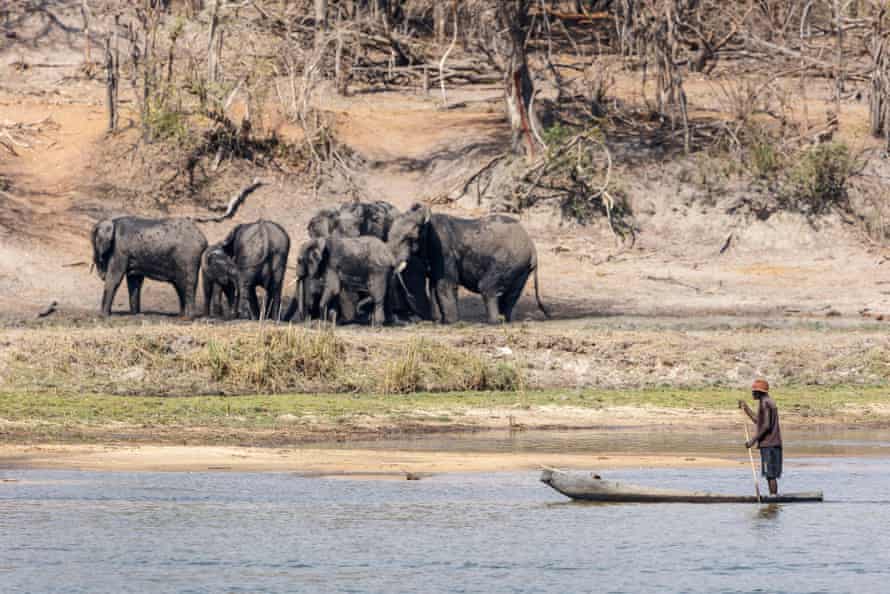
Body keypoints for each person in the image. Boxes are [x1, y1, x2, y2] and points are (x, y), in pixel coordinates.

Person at [738, 379, 783, 496]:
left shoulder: (765, 403)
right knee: (771, 475)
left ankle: (773, 501)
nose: (752, 394)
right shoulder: (768, 402)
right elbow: (759, 421)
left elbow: (766, 426)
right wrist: (746, 408)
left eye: (754, 392)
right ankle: (773, 501)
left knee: (770, 474)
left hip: (769, 445)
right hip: (774, 444)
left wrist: (753, 441)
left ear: (760, 392)